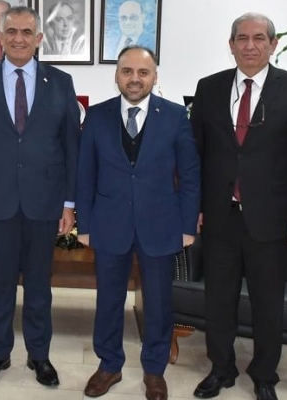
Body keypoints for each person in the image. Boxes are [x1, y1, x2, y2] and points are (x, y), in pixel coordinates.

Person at [190, 12, 287, 400]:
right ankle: (221, 368)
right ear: (231, 45)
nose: (250, 45)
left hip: (272, 219)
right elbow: (196, 154)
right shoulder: (208, 88)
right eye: (241, 38)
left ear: (273, 44)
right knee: (218, 299)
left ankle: (264, 376)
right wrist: (194, 207)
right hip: (220, 215)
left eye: (259, 38)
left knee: (267, 303)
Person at [0, 5, 80, 387]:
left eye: (27, 32)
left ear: (39, 38)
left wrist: (70, 203)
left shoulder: (61, 82)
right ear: (1, 36)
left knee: (39, 284)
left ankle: (39, 356)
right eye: (11, 31)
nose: (19, 38)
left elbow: (71, 147)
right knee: (1, 283)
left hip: (45, 200)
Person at [76, 46, 200, 400]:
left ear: (154, 77)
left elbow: (190, 174)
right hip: (108, 223)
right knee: (108, 300)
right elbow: (85, 173)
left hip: (161, 224)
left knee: (158, 303)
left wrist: (187, 226)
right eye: (127, 71)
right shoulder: (97, 116)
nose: (134, 79)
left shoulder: (175, 116)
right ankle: (109, 365)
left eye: (143, 72)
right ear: (116, 76)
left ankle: (154, 371)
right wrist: (84, 226)